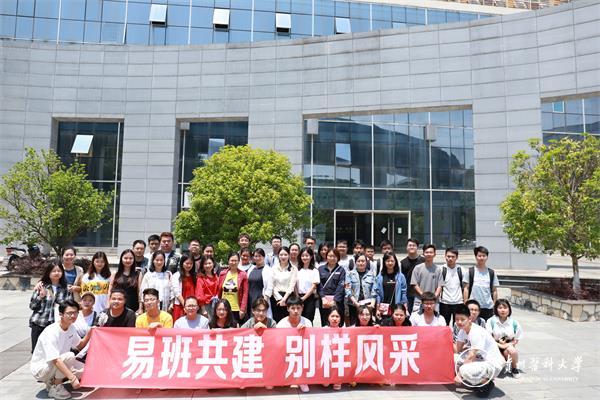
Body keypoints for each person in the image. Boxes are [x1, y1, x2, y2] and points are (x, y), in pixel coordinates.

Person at [30, 300, 92, 400]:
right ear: (61, 314)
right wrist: (72, 378)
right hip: (42, 369)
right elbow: (55, 360)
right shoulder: (51, 332)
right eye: (69, 313)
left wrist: (90, 333)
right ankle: (55, 386)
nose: (73, 316)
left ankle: (53, 380)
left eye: (75, 313)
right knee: (70, 356)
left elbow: (79, 345)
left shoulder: (71, 327)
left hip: (60, 362)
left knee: (86, 371)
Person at [454, 304, 504, 397]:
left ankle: (486, 383)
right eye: (457, 319)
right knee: (453, 358)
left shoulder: (476, 332)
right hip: (480, 360)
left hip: (492, 364)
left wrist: (459, 375)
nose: (459, 322)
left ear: (469, 319)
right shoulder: (462, 330)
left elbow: (471, 356)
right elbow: (458, 350)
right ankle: (475, 380)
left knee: (464, 370)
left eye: (462, 319)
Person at [29, 262, 69, 352]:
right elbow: (32, 306)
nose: (56, 273)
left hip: (56, 325)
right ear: (48, 273)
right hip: (39, 323)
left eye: (59, 271)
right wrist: (40, 297)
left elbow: (68, 307)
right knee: (37, 351)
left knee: (53, 351)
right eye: (53, 271)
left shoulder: (65, 288)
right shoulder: (41, 286)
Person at [276, 294, 311, 393]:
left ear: (302, 308)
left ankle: (302, 379)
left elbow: (311, 342)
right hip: (286, 353)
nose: (296, 311)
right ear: (288, 309)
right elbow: (277, 344)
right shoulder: (281, 324)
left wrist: (305, 332)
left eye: (298, 308)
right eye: (293, 308)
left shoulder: (307, 322)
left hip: (302, 353)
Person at [486, 299, 523, 378]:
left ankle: (514, 368)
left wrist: (506, 345)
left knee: (512, 350)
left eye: (505, 308)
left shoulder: (514, 323)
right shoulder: (491, 321)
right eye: (500, 308)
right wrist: (500, 345)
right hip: (494, 346)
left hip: (508, 346)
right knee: (500, 363)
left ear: (509, 309)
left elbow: (516, 339)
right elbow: (488, 338)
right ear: (496, 309)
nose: (503, 310)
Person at [463, 246, 499, 320]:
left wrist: (494, 304)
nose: (481, 258)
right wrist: (465, 302)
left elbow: (494, 290)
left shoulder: (491, 273)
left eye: (484, 256)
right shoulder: (470, 271)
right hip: (473, 307)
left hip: (488, 307)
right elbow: (466, 288)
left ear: (487, 257)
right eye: (479, 256)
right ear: (476, 257)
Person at [374, 252, 407, 322]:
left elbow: (404, 293)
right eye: (388, 261)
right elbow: (377, 294)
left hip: (396, 309)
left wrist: (405, 309)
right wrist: (377, 309)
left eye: (392, 261)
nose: (390, 263)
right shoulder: (380, 277)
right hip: (384, 309)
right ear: (384, 262)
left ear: (395, 262)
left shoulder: (400, 276)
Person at [346, 252, 377, 326]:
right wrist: (355, 303)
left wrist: (372, 304)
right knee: (354, 326)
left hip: (368, 306)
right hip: (354, 306)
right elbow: (347, 290)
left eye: (363, 261)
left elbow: (374, 290)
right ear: (355, 262)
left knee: (368, 325)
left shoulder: (372, 274)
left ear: (366, 262)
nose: (361, 263)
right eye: (359, 261)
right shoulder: (349, 274)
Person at [410, 244, 442, 313]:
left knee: (434, 319)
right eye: (427, 252)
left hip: (434, 302)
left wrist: (433, 298)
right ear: (423, 254)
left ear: (434, 254)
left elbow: (440, 286)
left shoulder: (438, 269)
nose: (429, 254)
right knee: (417, 319)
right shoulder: (417, 268)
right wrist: (423, 296)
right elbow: (414, 284)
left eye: (431, 252)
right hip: (419, 301)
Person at [318, 248, 346, 327]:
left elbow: (341, 286)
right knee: (325, 322)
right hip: (324, 301)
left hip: (337, 301)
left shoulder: (341, 270)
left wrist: (335, 300)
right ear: (326, 257)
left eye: (334, 256)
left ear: (338, 258)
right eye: (330, 256)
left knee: (337, 322)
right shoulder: (320, 269)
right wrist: (323, 298)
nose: (332, 258)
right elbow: (319, 285)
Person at [218, 252, 248, 324]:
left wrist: (242, 309)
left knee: (235, 328)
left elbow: (245, 293)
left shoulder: (243, 274)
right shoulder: (222, 273)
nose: (233, 263)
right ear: (228, 261)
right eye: (232, 260)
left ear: (239, 261)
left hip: (236, 308)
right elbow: (219, 290)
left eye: (235, 261)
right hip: (224, 308)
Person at [271, 247, 298, 322]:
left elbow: (291, 285)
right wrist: (279, 298)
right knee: (277, 319)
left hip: (288, 297)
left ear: (289, 255)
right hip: (275, 297)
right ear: (278, 255)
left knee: (288, 320)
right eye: (281, 255)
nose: (283, 257)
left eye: (285, 254)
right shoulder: (274, 268)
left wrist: (284, 299)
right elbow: (272, 285)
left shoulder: (293, 268)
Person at [110, 249, 142, 313]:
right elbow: (110, 291)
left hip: (133, 306)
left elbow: (140, 292)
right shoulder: (115, 274)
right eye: (125, 258)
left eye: (131, 258)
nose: (128, 260)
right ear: (121, 259)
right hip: (117, 305)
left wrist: (140, 307)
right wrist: (108, 305)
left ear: (134, 259)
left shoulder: (138, 274)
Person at [246, 248, 274, 319]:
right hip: (250, 297)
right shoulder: (251, 269)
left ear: (263, 257)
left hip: (260, 297)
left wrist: (265, 298)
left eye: (259, 256)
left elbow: (270, 286)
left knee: (260, 316)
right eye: (255, 256)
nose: (257, 258)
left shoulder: (268, 270)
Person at [439, 248, 464, 326]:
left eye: (453, 257)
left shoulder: (461, 270)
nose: (450, 259)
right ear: (445, 256)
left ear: (457, 257)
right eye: (448, 256)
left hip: (458, 302)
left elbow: (465, 287)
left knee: (458, 325)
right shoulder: (441, 269)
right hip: (444, 302)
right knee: (444, 325)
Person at [400, 238, 425, 313]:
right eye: (410, 245)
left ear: (417, 247)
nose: (411, 247)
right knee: (409, 315)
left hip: (422, 293)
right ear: (406, 247)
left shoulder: (423, 261)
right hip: (408, 294)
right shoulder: (403, 262)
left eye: (414, 245)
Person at [296, 247, 320, 324]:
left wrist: (303, 298)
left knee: (308, 319)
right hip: (298, 297)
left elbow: (314, 286)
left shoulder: (314, 270)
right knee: (297, 319)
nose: (304, 257)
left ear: (311, 256)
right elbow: (294, 284)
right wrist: (297, 296)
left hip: (310, 298)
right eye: (302, 256)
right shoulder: (297, 269)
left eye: (307, 255)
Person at [171, 254, 197, 321]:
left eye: (191, 263)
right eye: (187, 263)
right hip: (180, 306)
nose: (189, 265)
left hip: (192, 306)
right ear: (182, 263)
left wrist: (192, 306)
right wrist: (186, 306)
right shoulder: (176, 276)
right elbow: (177, 293)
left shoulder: (194, 276)